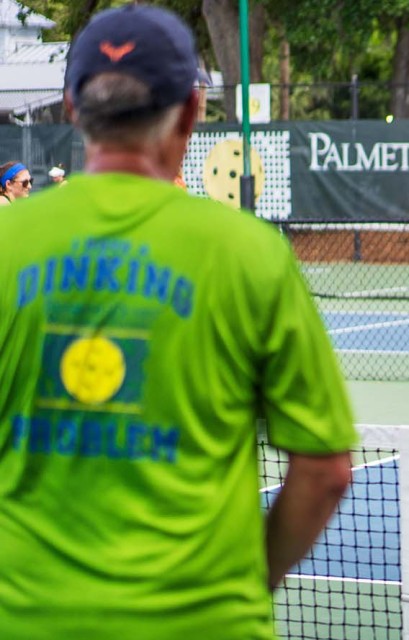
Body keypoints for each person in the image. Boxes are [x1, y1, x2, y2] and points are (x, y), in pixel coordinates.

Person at [0, 6, 357, 638]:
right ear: (192, 111)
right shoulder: (249, 253)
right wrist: (246, 582)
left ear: (71, 108)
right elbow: (325, 470)